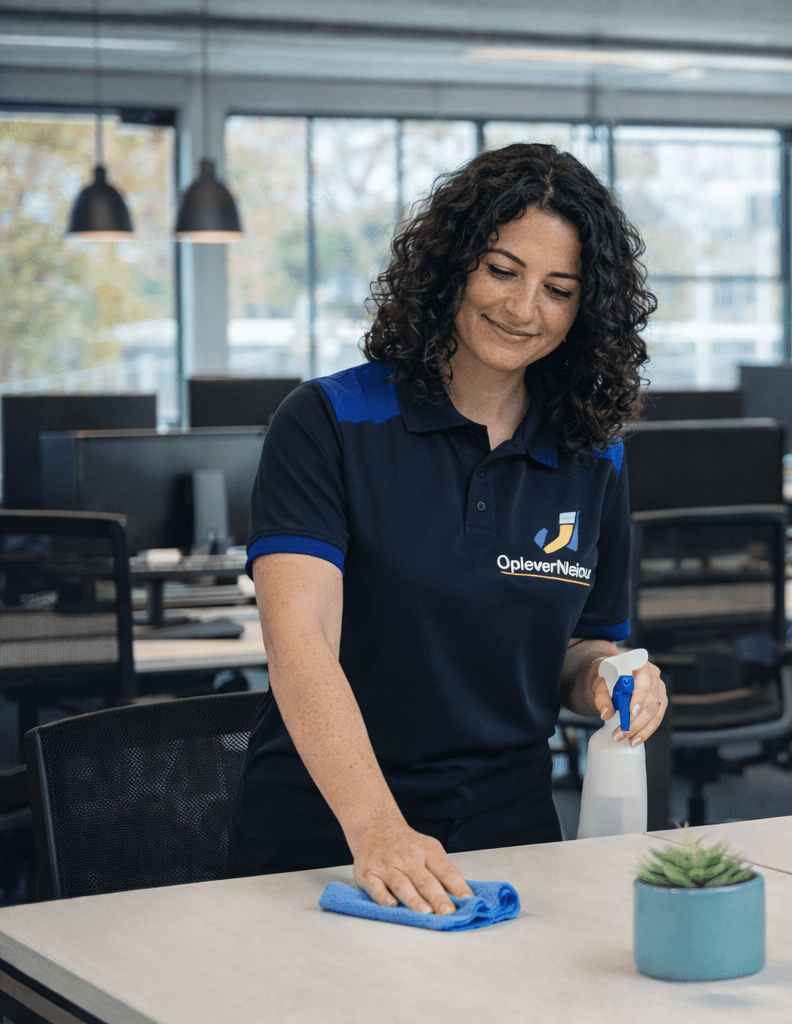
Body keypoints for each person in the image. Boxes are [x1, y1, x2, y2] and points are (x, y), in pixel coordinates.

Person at [227, 143, 667, 914]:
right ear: (452, 264)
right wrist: (378, 828)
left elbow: (582, 643)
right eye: (501, 270)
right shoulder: (330, 422)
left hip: (513, 832)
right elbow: (298, 644)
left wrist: (606, 677)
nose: (524, 309)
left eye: (559, 289)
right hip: (331, 835)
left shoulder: (592, 457)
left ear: (584, 309)